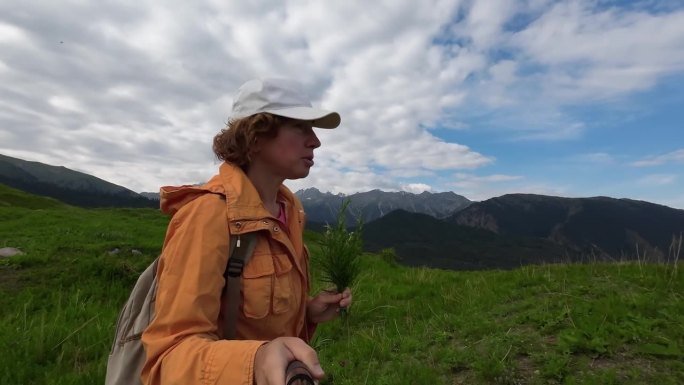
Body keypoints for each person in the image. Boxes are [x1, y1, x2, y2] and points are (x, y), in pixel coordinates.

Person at [141, 78, 353, 385]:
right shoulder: (208, 217)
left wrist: (307, 314)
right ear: (255, 137)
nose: (315, 141)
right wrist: (256, 361)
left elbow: (250, 321)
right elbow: (168, 359)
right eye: (301, 128)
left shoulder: (290, 214)